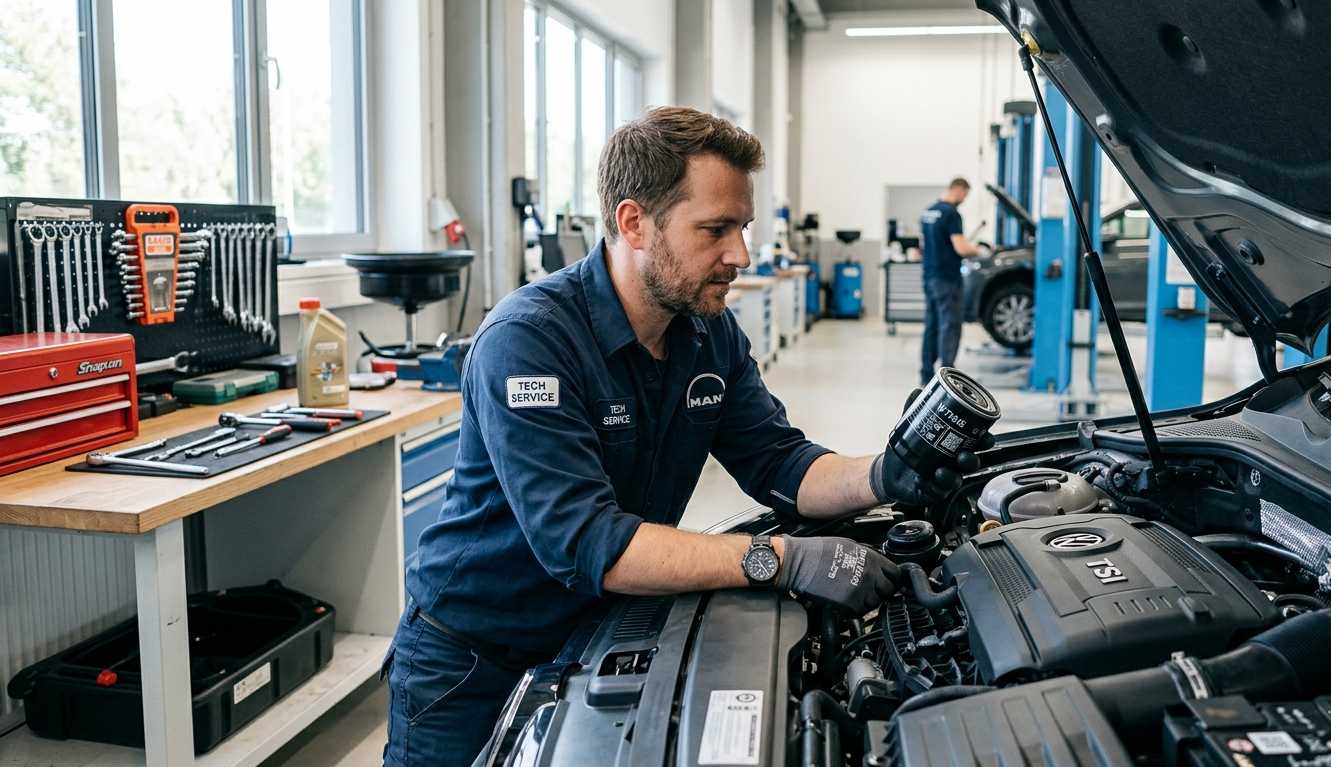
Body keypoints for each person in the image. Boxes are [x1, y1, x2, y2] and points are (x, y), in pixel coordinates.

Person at [382, 108, 989, 767]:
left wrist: (883, 473)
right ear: (633, 222)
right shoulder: (529, 341)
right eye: (715, 229)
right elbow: (587, 543)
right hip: (472, 660)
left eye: (742, 228)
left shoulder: (707, 332)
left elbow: (778, 460)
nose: (741, 255)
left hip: (599, 633)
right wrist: (778, 558)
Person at [920, 178, 983, 386]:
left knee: (932, 324)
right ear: (959, 189)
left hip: (929, 276)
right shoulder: (951, 214)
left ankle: (925, 372)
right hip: (947, 278)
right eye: (965, 195)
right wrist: (979, 250)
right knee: (951, 325)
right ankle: (947, 375)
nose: (964, 201)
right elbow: (961, 248)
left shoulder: (928, 212)